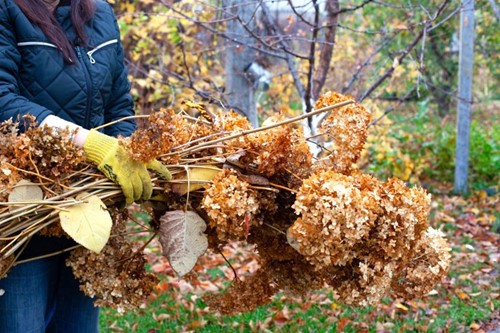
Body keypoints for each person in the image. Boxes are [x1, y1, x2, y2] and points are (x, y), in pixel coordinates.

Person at [0, 0, 170, 331]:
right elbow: (2, 101)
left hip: (88, 209)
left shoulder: (100, 13)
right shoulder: (6, 9)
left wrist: (127, 153)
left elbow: (119, 102)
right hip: (22, 210)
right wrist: (90, 143)